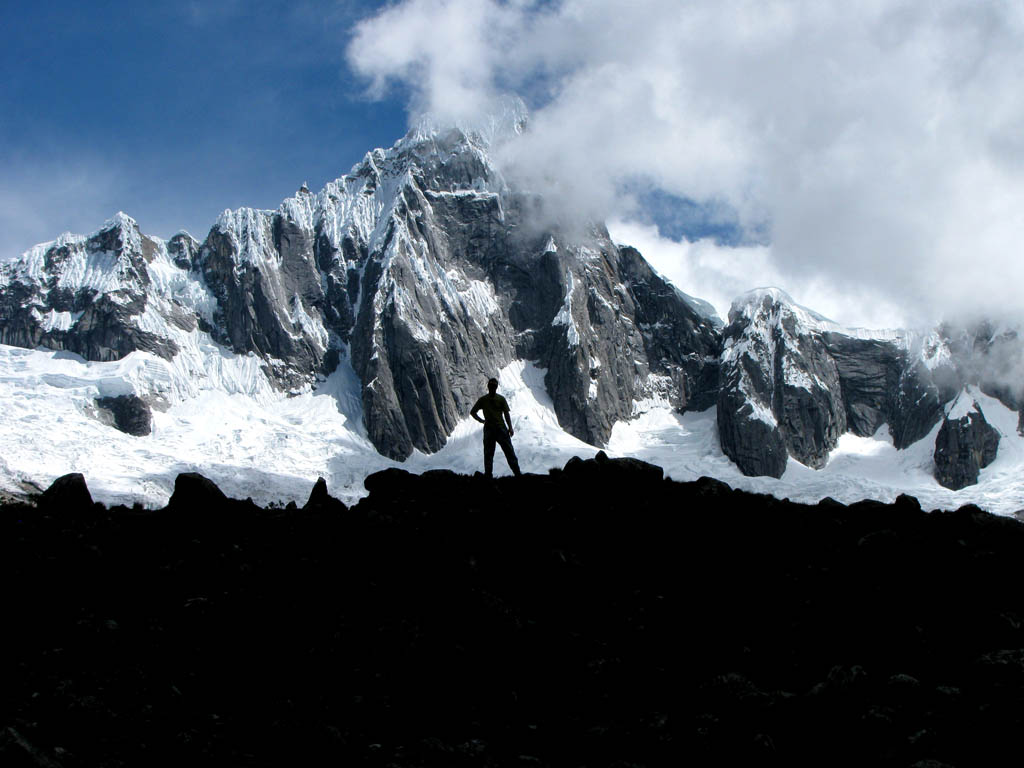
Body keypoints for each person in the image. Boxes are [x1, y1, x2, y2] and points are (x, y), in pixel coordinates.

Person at [470, 378, 522, 477]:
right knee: (508, 452)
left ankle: (489, 475)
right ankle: (517, 474)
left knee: (490, 454)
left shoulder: (484, 400)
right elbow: (506, 413)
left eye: (493, 386)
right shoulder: (500, 399)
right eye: (492, 386)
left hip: (491, 429)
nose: (492, 387)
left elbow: (473, 412)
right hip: (500, 429)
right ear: (492, 387)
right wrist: (510, 428)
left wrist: (481, 420)